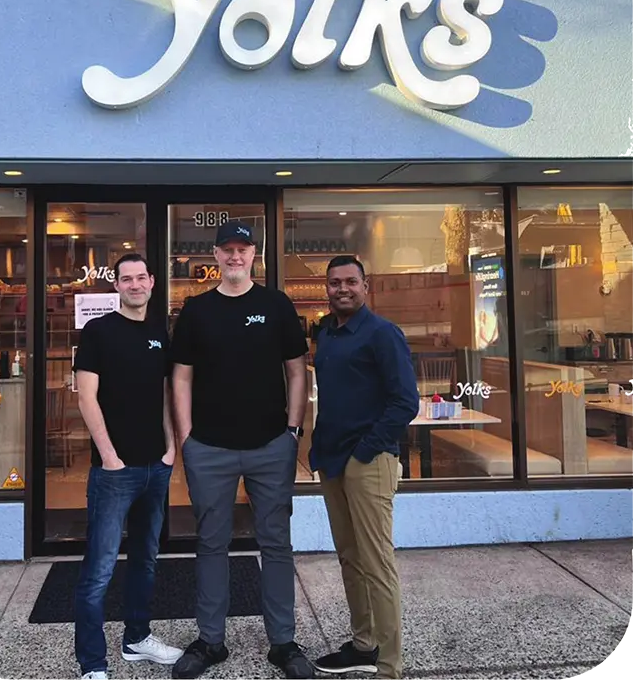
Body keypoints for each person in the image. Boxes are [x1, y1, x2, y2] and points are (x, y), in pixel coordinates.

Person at [169, 220, 314, 679]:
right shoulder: (196, 310)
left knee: (276, 544)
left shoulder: (276, 305)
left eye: (243, 249)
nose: (235, 256)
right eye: (227, 249)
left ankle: (283, 643)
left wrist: (292, 431)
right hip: (209, 448)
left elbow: (297, 370)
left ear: (254, 255)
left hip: (271, 446)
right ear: (215, 255)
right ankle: (210, 641)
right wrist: (187, 438)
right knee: (211, 544)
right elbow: (181, 376)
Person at [72, 253, 182, 680]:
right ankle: (92, 664)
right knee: (99, 571)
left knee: (145, 560)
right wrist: (110, 458)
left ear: (152, 282)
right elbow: (86, 397)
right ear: (116, 285)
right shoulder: (98, 332)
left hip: (156, 467)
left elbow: (164, 393)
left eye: (140, 278)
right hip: (114, 473)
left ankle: (137, 638)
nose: (134, 285)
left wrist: (171, 448)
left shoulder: (158, 333)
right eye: (126, 279)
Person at [310, 256, 419, 680]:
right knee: (350, 559)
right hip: (333, 461)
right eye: (334, 282)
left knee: (376, 564)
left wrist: (365, 451)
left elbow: (405, 402)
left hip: (368, 461)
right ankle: (363, 645)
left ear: (365, 285)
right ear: (327, 288)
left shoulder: (382, 333)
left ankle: (389, 666)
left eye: (350, 282)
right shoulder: (327, 333)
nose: (342, 289)